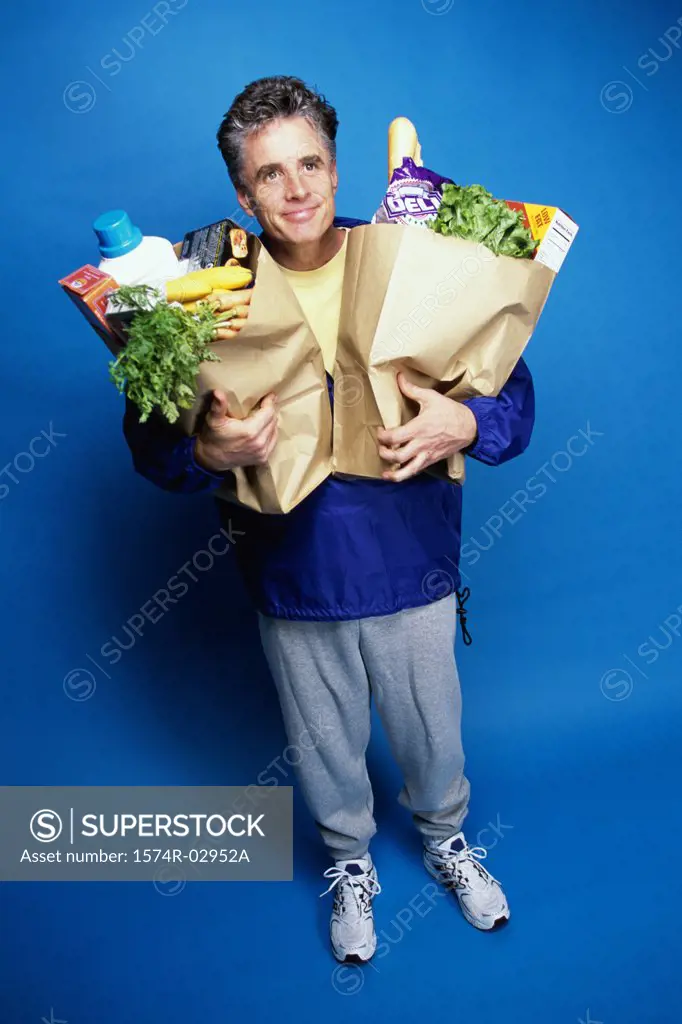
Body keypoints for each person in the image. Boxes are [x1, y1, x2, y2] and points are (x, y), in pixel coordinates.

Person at [122, 75, 535, 965]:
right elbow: (151, 441)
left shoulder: (418, 254)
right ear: (243, 192)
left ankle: (447, 840)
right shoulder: (206, 285)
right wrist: (209, 454)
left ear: (338, 168)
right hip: (292, 570)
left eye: (310, 162)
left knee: (433, 732)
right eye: (271, 175)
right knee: (323, 744)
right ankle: (349, 863)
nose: (298, 187)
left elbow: (511, 392)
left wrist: (466, 421)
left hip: (412, 558)